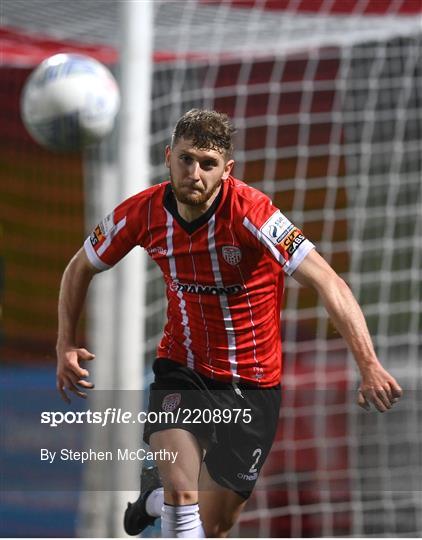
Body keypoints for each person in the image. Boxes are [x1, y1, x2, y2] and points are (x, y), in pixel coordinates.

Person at [56, 109, 403, 538]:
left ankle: (151, 496)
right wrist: (65, 343)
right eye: (186, 159)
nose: (195, 173)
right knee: (183, 497)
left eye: (207, 163)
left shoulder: (254, 213)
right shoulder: (141, 213)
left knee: (213, 524)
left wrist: (367, 364)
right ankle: (166, 492)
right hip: (182, 368)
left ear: (227, 170)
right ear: (168, 157)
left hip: (253, 385)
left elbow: (328, 281)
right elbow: (79, 267)